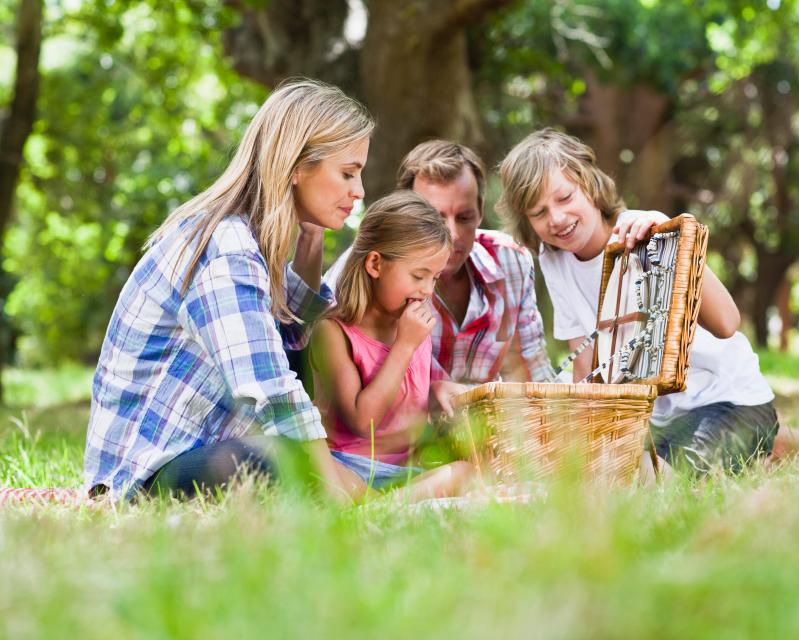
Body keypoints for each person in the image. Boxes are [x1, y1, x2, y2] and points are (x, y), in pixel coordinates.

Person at [496, 128, 799, 476]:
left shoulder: (646, 233)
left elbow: (727, 323)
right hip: (664, 419)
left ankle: (765, 442)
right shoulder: (554, 260)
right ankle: (785, 448)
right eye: (539, 212)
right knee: (610, 471)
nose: (556, 218)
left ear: (588, 186)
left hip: (728, 399)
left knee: (671, 478)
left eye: (564, 198)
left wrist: (674, 234)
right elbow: (587, 373)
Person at [84, 80, 376, 502]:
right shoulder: (226, 248)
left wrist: (310, 237)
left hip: (196, 448)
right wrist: (336, 483)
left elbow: (292, 336)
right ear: (296, 166)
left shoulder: (251, 242)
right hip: (141, 476)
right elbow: (269, 387)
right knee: (295, 458)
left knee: (318, 456)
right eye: (348, 173)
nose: (359, 191)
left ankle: (382, 484)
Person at [323, 140, 554, 393]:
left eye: (465, 217)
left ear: (479, 210)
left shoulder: (511, 261)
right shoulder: (365, 271)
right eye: (435, 219)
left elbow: (531, 371)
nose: (453, 235)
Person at [310, 191, 475, 498]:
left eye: (435, 278)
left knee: (470, 470)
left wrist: (438, 390)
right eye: (418, 276)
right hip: (351, 467)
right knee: (327, 480)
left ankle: (391, 504)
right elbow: (363, 421)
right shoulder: (332, 333)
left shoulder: (411, 323)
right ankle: (387, 506)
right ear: (375, 264)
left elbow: (411, 392)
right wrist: (405, 346)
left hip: (410, 471)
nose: (426, 290)